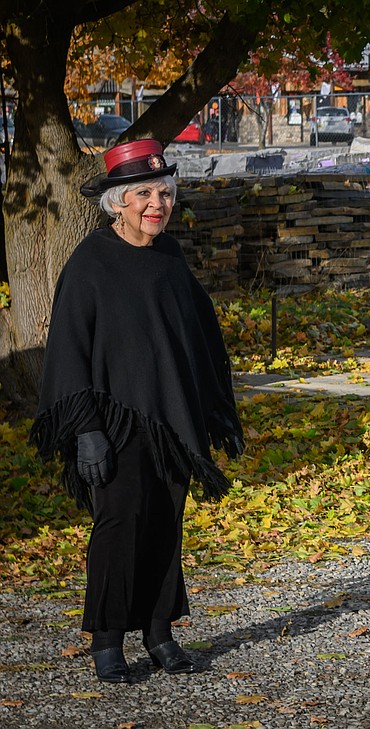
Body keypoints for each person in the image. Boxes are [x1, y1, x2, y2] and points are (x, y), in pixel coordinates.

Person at [30, 139, 245, 682]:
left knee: (165, 524)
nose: (157, 204)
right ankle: (106, 641)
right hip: (114, 423)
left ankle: (159, 632)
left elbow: (198, 336)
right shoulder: (90, 263)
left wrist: (208, 407)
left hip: (171, 420)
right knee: (119, 524)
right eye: (143, 194)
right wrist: (86, 432)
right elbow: (69, 350)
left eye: (163, 192)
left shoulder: (169, 256)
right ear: (117, 202)